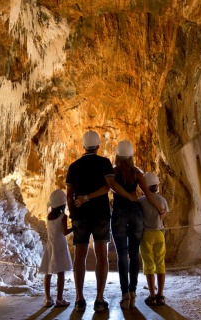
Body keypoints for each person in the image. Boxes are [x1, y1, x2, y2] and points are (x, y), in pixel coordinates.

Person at [66, 130, 137, 312]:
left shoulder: (74, 166)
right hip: (101, 215)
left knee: (79, 255)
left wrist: (73, 212)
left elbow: (69, 193)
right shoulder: (104, 163)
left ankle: (79, 299)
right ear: (98, 146)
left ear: (83, 146)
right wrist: (128, 195)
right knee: (101, 255)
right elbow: (109, 186)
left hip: (80, 215)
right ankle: (99, 299)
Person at [111, 140, 165, 310]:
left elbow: (111, 187)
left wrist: (125, 195)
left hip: (119, 212)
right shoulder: (137, 174)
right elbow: (148, 194)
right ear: (131, 156)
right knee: (134, 255)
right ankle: (133, 293)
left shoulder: (113, 173)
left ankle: (125, 295)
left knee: (122, 255)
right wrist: (160, 209)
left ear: (118, 156)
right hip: (135, 214)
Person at [39, 189, 73, 308]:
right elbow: (64, 232)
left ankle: (48, 299)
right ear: (63, 205)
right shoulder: (63, 217)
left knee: (48, 273)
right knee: (61, 273)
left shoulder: (48, 216)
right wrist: (74, 228)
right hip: (60, 246)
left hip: (50, 245)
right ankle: (59, 299)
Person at [139, 172, 169, 306]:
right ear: (157, 185)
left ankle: (151, 296)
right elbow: (163, 216)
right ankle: (161, 295)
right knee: (160, 264)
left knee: (149, 265)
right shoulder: (162, 200)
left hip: (146, 234)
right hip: (159, 234)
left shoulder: (140, 201)